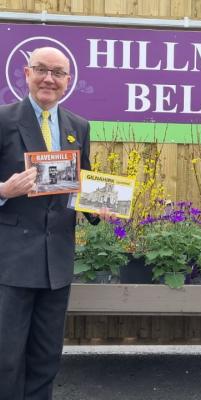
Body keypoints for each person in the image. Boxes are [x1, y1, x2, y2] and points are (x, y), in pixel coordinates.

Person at [0, 47, 99, 400]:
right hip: (9, 263)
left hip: (56, 261)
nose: (49, 79)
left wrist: (99, 204)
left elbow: (80, 183)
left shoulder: (78, 126)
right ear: (26, 74)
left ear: (68, 81)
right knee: (6, 359)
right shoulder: (3, 119)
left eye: (58, 73)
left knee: (46, 357)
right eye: (41, 70)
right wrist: (3, 189)